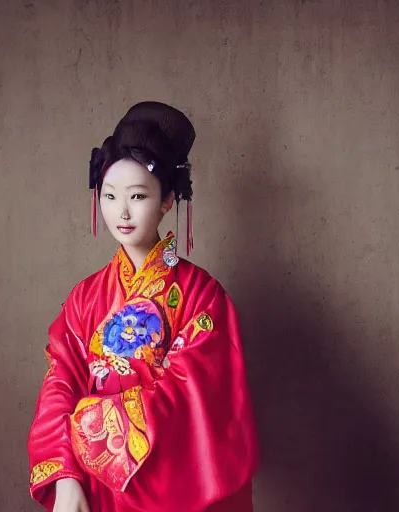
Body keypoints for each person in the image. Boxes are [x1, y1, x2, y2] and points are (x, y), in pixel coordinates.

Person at [27, 102, 259, 511]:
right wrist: (64, 475)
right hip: (97, 487)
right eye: (111, 195)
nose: (123, 211)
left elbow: (200, 395)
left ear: (168, 200)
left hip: (167, 483)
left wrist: (96, 423)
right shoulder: (84, 298)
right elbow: (59, 383)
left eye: (138, 195)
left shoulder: (201, 295)